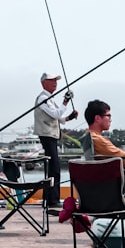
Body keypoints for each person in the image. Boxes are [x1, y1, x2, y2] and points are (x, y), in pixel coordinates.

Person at [34, 72, 78, 209]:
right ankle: (52, 200)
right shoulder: (43, 98)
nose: (55, 83)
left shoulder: (49, 99)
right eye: (52, 80)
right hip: (47, 135)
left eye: (56, 81)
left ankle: (50, 198)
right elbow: (56, 114)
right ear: (44, 83)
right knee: (54, 168)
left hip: (51, 136)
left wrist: (70, 117)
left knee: (53, 168)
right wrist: (65, 101)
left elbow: (60, 119)